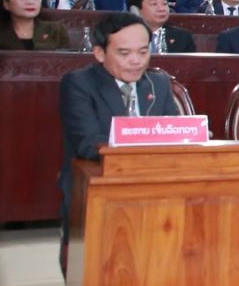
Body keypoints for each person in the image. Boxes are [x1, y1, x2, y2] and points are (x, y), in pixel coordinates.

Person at [57, 13, 179, 254]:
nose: (136, 61)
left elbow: (172, 129)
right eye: (124, 53)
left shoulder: (158, 82)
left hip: (156, 186)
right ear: (100, 53)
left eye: (143, 52)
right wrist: (145, 144)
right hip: (99, 185)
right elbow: (87, 143)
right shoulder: (79, 83)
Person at [128, 0, 195, 53]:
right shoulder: (125, 36)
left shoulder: (182, 37)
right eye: (154, 4)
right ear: (135, 10)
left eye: (164, 3)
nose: (162, 9)